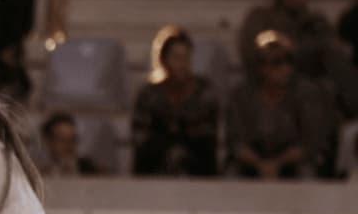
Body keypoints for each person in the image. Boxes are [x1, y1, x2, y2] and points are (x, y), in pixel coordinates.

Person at [227, 31, 337, 179]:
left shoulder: (306, 93)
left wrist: (277, 164)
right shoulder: (242, 95)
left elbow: (310, 142)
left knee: (307, 173)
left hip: (293, 164)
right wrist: (260, 164)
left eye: (289, 60)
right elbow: (236, 142)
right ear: (260, 66)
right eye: (277, 62)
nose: (285, 68)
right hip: (251, 163)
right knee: (231, 174)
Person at [131, 27, 219, 177]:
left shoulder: (204, 93)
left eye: (186, 58)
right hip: (155, 169)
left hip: (196, 169)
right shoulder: (149, 95)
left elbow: (207, 137)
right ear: (163, 60)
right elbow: (141, 138)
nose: (182, 65)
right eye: (176, 58)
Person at [36, 112, 96, 177]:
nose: (69, 145)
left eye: (73, 140)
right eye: (62, 140)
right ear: (49, 141)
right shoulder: (38, 171)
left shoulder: (88, 168)